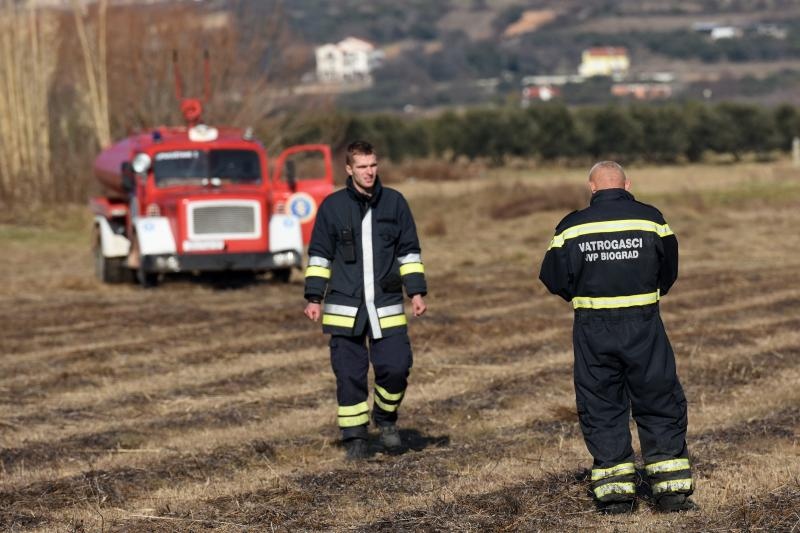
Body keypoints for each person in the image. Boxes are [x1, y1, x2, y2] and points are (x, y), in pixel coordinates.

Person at [539, 161, 695, 514]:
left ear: (592, 188)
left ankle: (615, 496)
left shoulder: (570, 227)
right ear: (627, 183)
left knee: (602, 404)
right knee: (658, 398)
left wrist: (584, 297)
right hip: (644, 324)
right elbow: (669, 271)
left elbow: (552, 277)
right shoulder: (652, 219)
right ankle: (671, 492)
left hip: (593, 328)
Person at [303, 140, 427, 460]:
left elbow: (409, 252)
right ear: (349, 169)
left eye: (373, 165)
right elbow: (319, 256)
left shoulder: (396, 203)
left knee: (397, 366)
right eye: (362, 166)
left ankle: (385, 418)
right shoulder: (332, 207)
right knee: (349, 375)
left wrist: (416, 291)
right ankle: (355, 438)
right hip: (344, 306)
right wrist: (314, 297)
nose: (369, 172)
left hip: (386, 303)